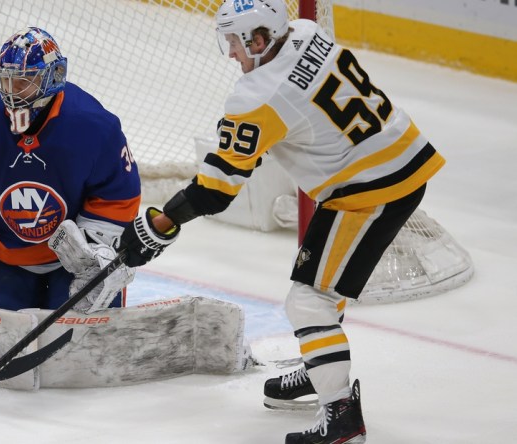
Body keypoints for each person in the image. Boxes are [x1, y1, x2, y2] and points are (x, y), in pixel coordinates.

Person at [117, 0, 445, 443]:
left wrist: (160, 223)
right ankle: (320, 367)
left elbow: (215, 191)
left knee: (309, 301)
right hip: (396, 156)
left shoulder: (256, 97)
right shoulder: (308, 32)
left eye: (235, 41)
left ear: (258, 39)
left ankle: (341, 417)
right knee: (323, 283)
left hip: (370, 190)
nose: (231, 52)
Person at [0, 27, 140, 314]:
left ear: (56, 77)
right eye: (8, 81)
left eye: (26, 82)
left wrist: (94, 254)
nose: (14, 93)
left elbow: (116, 197)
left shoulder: (95, 127)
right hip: (4, 256)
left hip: (72, 263)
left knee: (84, 345)